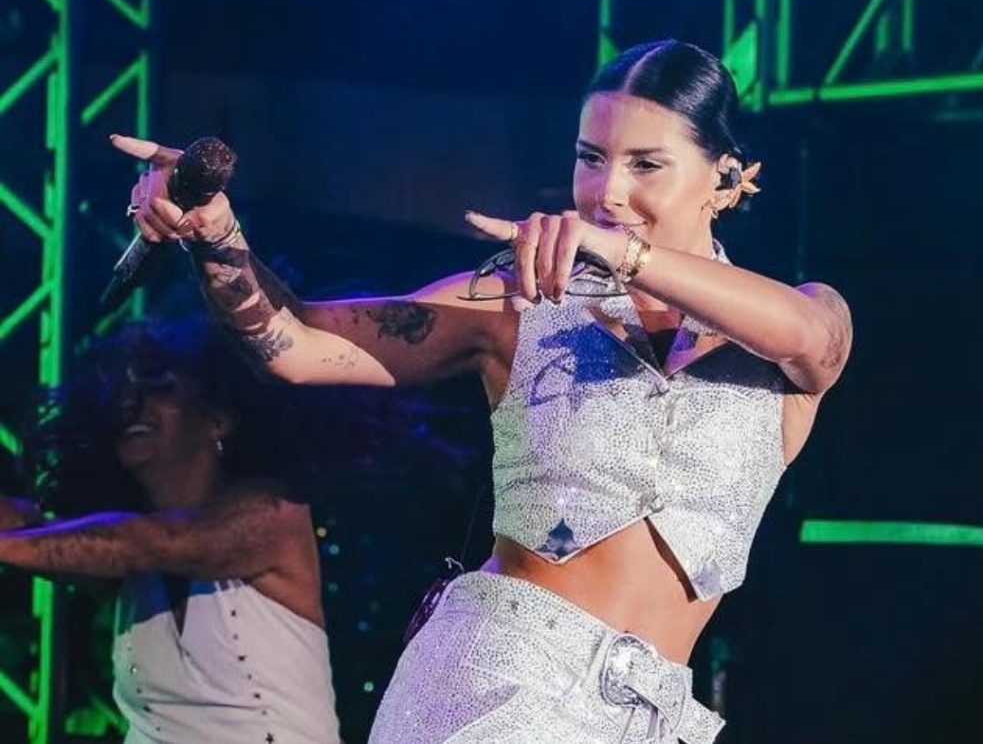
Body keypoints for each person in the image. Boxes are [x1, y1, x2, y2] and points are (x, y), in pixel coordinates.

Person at [115, 39, 852, 743]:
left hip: (652, 718)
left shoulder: (798, 321)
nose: (608, 192)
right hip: (500, 684)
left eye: (646, 165)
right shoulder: (519, 300)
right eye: (590, 159)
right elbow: (299, 345)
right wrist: (218, 238)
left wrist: (624, 253)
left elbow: (807, 337)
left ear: (724, 178)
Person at [0, 320, 341, 744]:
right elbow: (30, 530)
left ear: (219, 419)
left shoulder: (273, 515)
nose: (132, 403)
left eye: (159, 387)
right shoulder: (126, 564)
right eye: (123, 392)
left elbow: (149, 544)